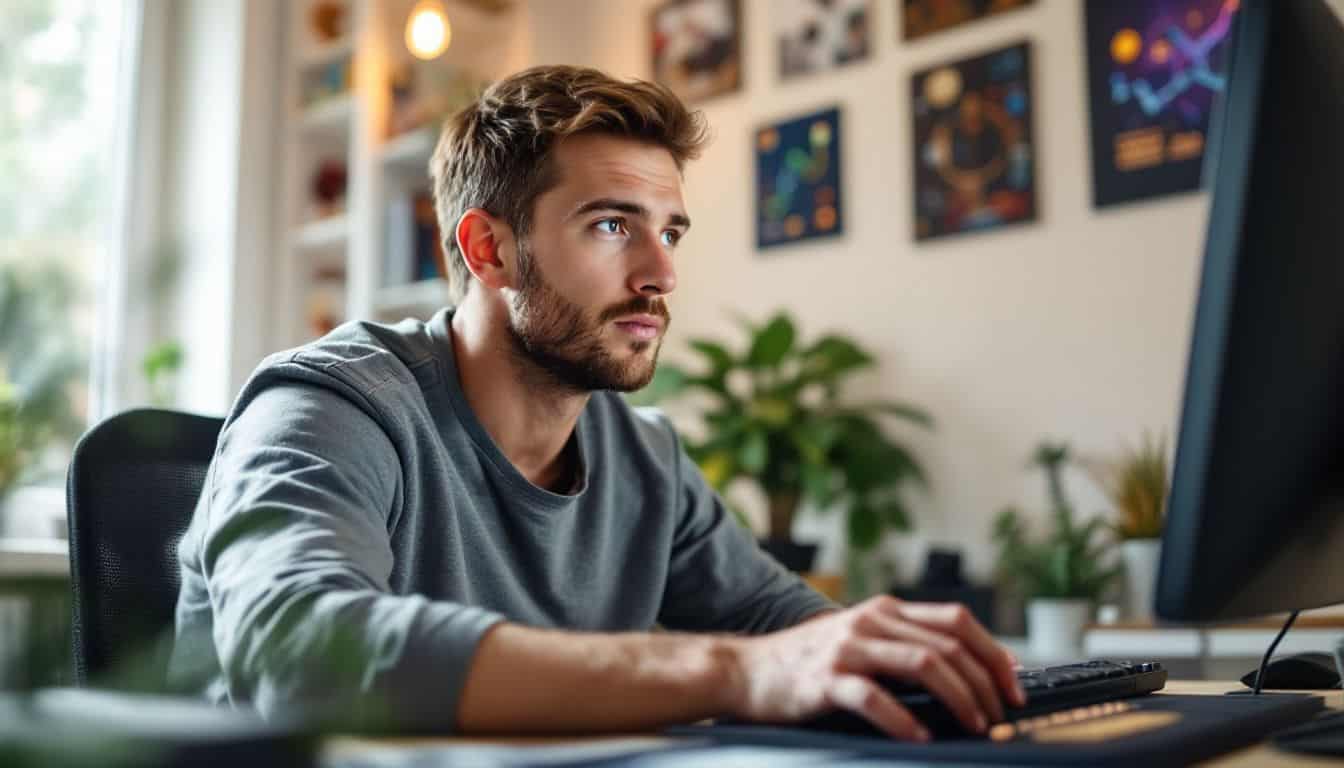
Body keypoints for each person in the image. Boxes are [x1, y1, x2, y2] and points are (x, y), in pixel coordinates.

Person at [169, 65, 1024, 742]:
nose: (662, 273)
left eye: (671, 230)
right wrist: (734, 673)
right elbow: (305, 653)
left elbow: (779, 625)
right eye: (614, 225)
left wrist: (903, 663)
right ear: (489, 248)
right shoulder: (329, 404)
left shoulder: (643, 458)